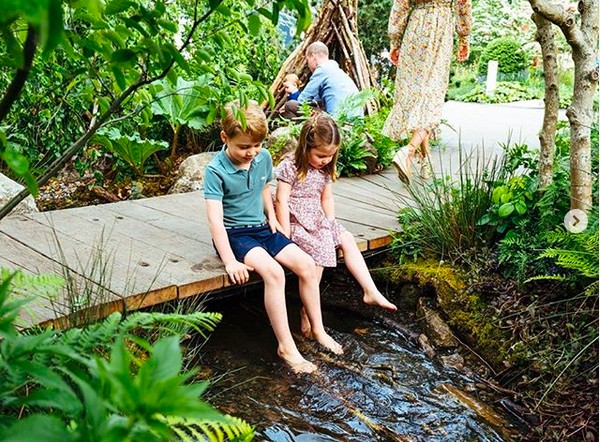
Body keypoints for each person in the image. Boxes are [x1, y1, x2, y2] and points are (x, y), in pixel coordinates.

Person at [204, 102, 343, 374]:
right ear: (225, 138)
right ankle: (286, 347)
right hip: (235, 235)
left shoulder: (262, 157)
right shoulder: (215, 170)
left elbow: (265, 189)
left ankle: (317, 329)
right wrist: (231, 261)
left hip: (263, 228)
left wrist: (274, 219)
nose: (251, 153)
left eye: (256, 145)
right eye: (244, 147)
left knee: (305, 264)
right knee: (274, 273)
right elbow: (215, 220)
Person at [275, 113, 397, 338]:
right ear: (305, 147)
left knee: (346, 238)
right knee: (321, 251)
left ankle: (370, 290)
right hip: (296, 221)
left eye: (331, 156)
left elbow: (326, 198)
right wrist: (283, 234)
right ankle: (307, 312)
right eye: (321, 155)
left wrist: (330, 223)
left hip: (318, 218)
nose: (326, 160)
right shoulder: (290, 166)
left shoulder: (323, 169)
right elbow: (281, 200)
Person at [383, 0, 472, 184]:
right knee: (432, 96)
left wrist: (395, 39)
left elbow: (401, 4)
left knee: (415, 95)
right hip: (440, 29)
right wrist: (464, 37)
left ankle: (426, 160)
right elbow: (463, 4)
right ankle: (408, 151)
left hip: (415, 29)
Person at [282, 41, 363, 119]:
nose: (308, 65)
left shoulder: (322, 70)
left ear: (313, 57)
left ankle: (300, 132)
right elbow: (317, 100)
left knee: (290, 105)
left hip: (337, 121)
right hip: (355, 121)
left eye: (308, 61)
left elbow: (303, 100)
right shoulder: (335, 70)